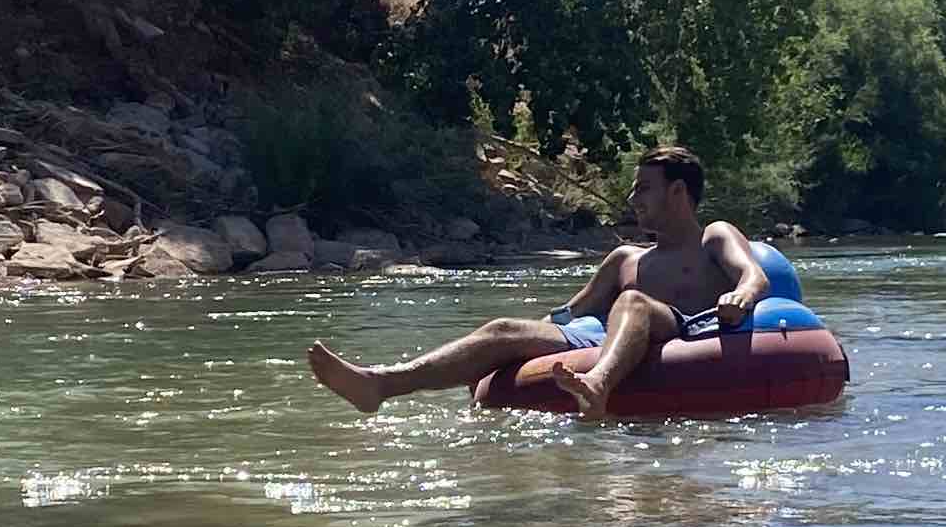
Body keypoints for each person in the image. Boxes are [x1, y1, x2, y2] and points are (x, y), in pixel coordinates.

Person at [306, 144, 768, 423]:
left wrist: (740, 297)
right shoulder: (625, 258)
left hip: (685, 329)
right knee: (505, 329)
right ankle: (379, 384)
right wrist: (502, 355)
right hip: (603, 333)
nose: (632, 199)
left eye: (643, 187)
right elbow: (569, 316)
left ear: (678, 192)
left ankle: (597, 386)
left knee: (633, 303)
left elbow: (754, 276)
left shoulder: (714, 236)